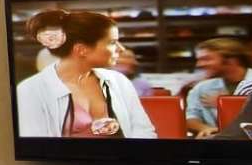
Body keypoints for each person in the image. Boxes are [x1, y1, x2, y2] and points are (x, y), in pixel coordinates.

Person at [15, 7, 154, 140]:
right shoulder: (30, 90)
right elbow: (37, 148)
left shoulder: (119, 81)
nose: (121, 49)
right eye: (112, 42)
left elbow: (144, 131)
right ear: (81, 50)